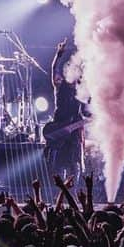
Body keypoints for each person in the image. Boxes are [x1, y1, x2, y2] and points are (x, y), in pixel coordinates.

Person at [43, 38, 86, 179]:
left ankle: (74, 190)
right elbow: (53, 70)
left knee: (75, 163)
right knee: (61, 164)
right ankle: (61, 190)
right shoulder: (60, 85)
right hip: (60, 126)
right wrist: (58, 55)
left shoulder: (82, 89)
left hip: (74, 129)